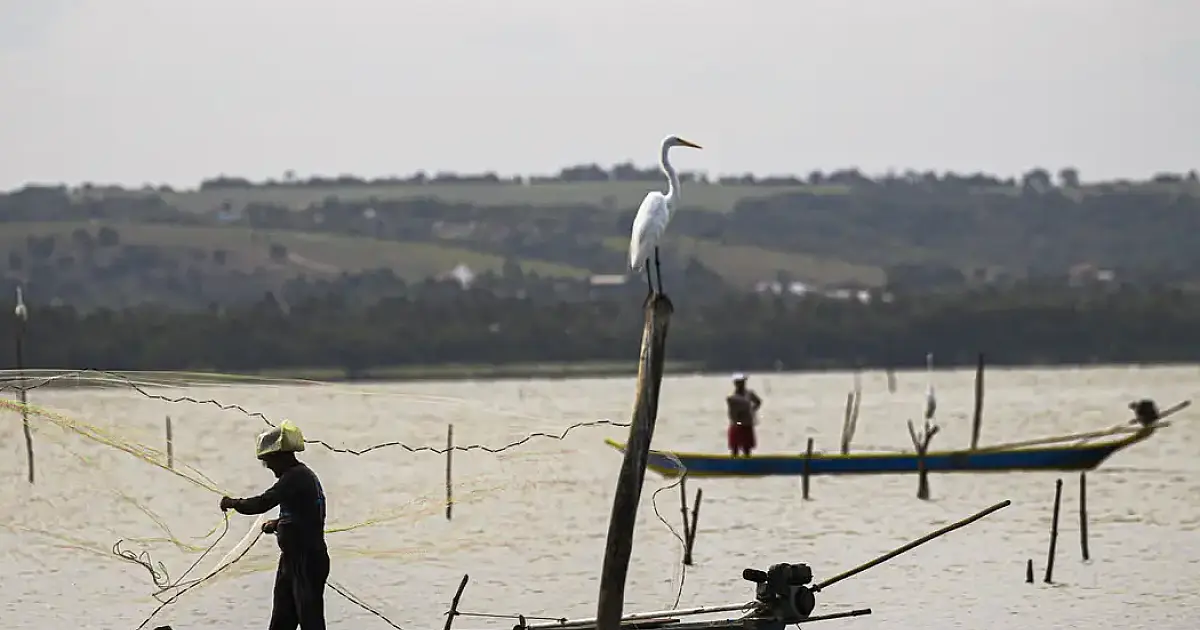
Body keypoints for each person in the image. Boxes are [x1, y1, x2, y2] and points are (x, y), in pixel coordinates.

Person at [220, 420, 329, 630]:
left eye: (268, 460)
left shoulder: (296, 477)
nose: (268, 466)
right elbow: (304, 514)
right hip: (291, 559)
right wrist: (278, 524)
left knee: (310, 621)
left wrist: (233, 503)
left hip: (307, 560)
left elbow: (263, 502)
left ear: (281, 456)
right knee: (281, 620)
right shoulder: (297, 477)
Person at [726, 373, 762, 457]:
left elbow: (758, 402)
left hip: (747, 424)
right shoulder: (732, 398)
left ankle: (747, 463)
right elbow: (732, 413)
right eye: (739, 382)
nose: (741, 384)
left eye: (742, 382)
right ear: (735, 384)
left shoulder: (749, 394)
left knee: (747, 448)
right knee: (735, 448)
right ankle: (734, 464)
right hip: (736, 425)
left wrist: (753, 409)